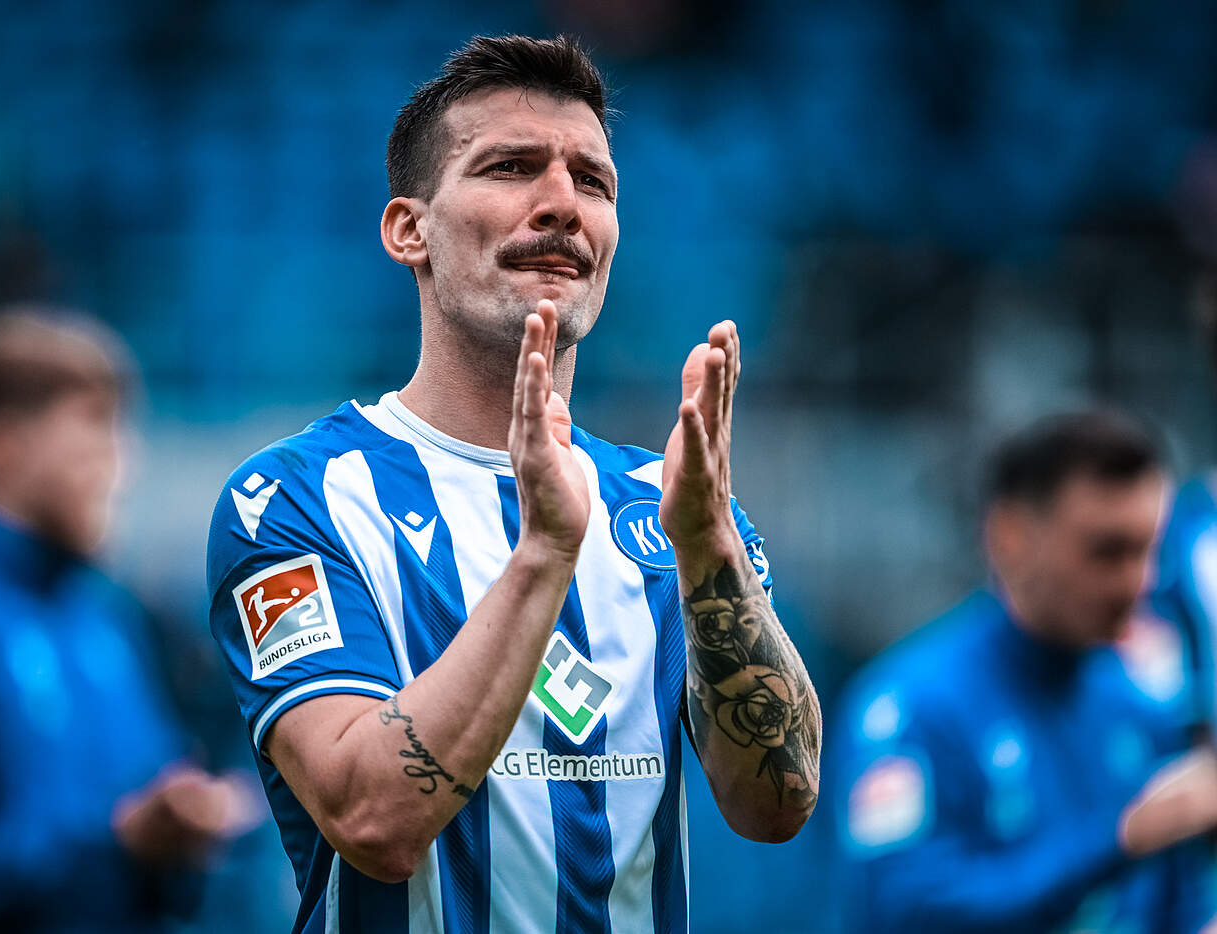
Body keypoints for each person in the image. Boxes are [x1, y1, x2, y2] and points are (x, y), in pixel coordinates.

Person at [206, 35, 821, 933]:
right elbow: (372, 820)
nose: (564, 204)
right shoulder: (296, 498)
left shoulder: (666, 508)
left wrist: (708, 543)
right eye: (511, 168)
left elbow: (777, 805)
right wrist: (545, 553)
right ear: (409, 230)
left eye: (594, 182)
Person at [0, 310, 253, 931]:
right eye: (95, 423)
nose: (122, 461)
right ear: (4, 445)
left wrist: (188, 822)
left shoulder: (108, 615)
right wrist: (117, 845)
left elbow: (156, 790)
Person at [833, 412, 1217, 933]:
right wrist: (1119, 838)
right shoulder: (910, 711)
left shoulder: (1143, 703)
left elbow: (1179, 909)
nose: (1138, 581)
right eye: (1108, 552)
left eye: (1149, 550)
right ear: (1009, 537)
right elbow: (907, 913)